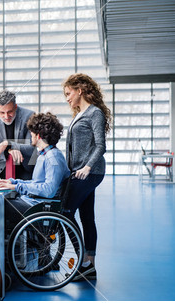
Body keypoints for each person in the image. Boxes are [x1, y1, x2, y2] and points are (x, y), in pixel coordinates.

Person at [61, 73, 112, 281]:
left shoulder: (94, 113)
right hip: (79, 172)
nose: (67, 98)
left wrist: (88, 167)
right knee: (87, 217)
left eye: (68, 93)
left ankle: (82, 261)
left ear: (79, 90)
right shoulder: (79, 113)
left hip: (90, 173)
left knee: (65, 212)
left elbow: (101, 145)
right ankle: (89, 265)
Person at [0, 112, 70, 230]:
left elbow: (48, 190)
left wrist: (16, 187)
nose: (30, 136)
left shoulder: (53, 157)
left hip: (37, 207)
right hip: (33, 203)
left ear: (38, 135)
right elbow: (37, 183)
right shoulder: (45, 155)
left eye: (31, 133)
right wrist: (13, 182)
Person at [0, 89, 38, 181]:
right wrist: (7, 151)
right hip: (1, 174)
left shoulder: (30, 116)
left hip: (27, 170)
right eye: (2, 112)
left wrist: (9, 144)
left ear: (16, 107)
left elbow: (32, 148)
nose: (6, 116)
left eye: (10, 112)